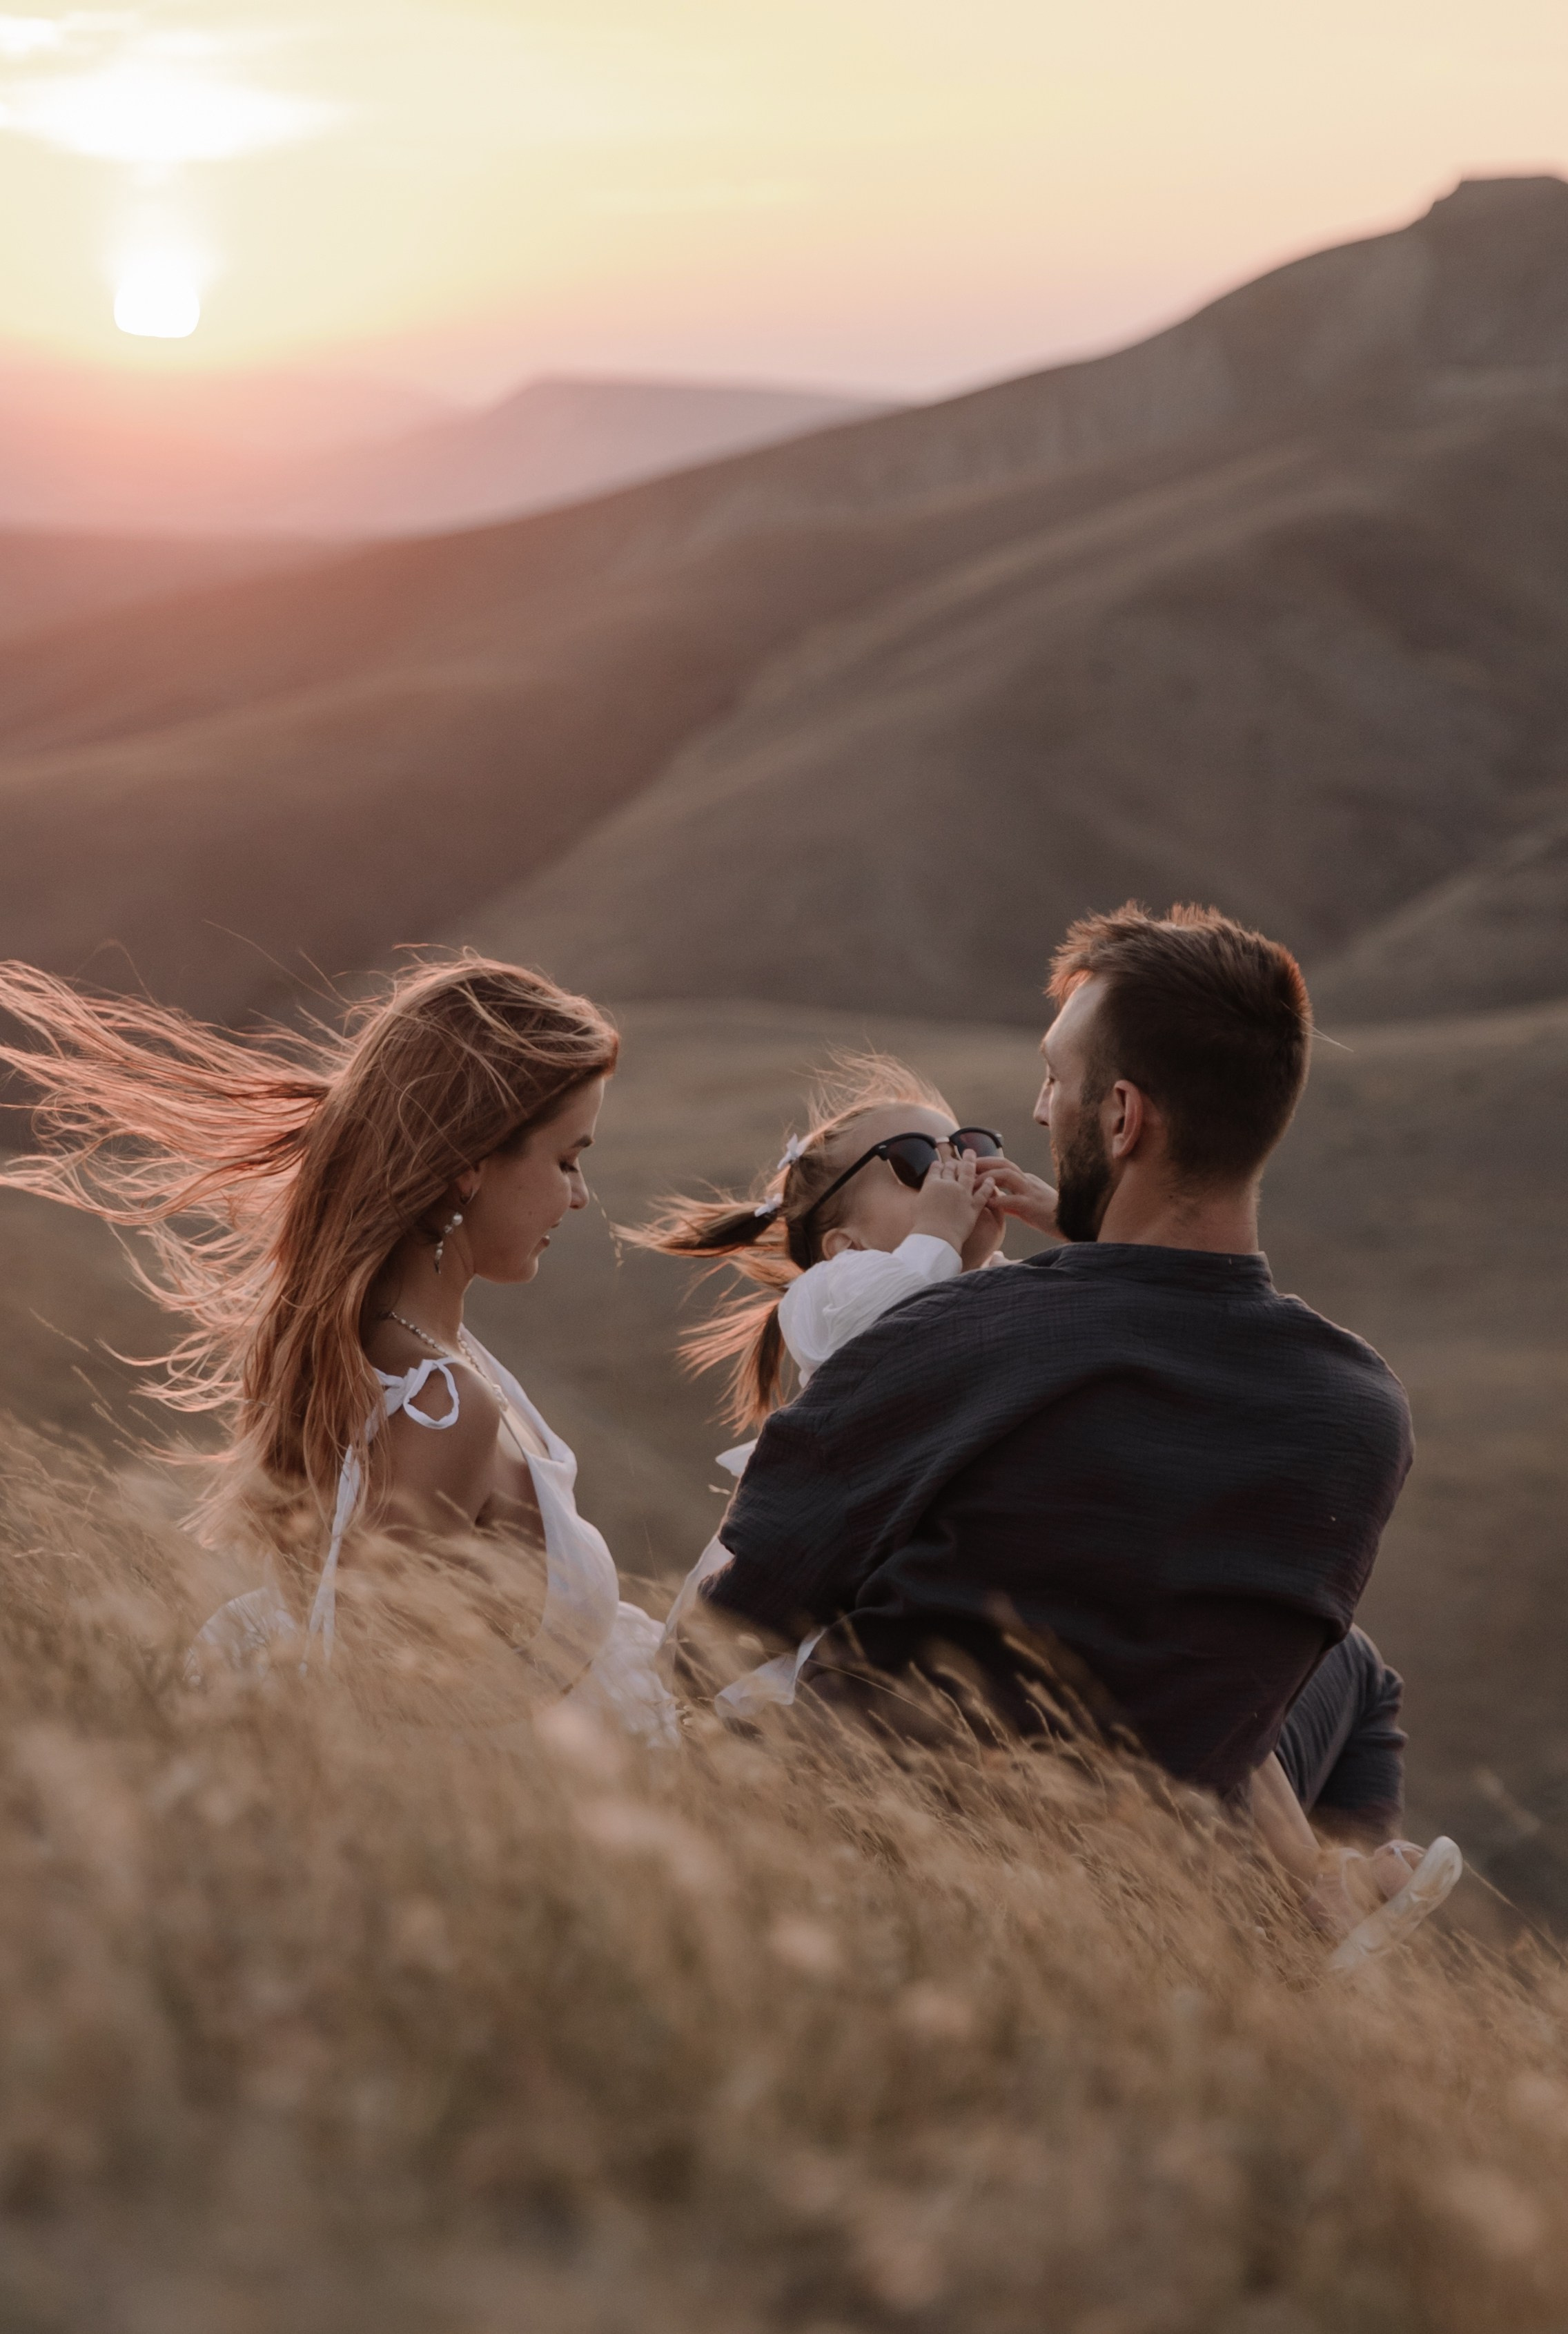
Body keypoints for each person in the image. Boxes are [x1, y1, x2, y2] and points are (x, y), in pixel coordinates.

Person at [696, 905, 1456, 1925]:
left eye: (1056, 1079)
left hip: (884, 1870)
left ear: (1123, 1117)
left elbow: (722, 1634)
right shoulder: (1361, 1414)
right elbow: (1186, 1321)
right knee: (1355, 1674)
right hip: (1153, 1880)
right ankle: (1318, 1921)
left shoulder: (951, 1337)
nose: (1041, 1107)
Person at [0, 955, 674, 1742]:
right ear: (468, 1167)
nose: (580, 1194)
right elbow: (373, 1707)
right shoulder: (439, 1405)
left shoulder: (411, 1360)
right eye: (566, 1161)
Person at [631, 1053, 1054, 1711]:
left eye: (970, 1148)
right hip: (838, 1602)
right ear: (843, 1243)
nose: (958, 1172)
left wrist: (1068, 1224)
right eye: (918, 1162)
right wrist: (940, 1232)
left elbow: (1097, 1310)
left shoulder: (1000, 1286)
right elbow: (888, 1332)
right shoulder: (832, 1291)